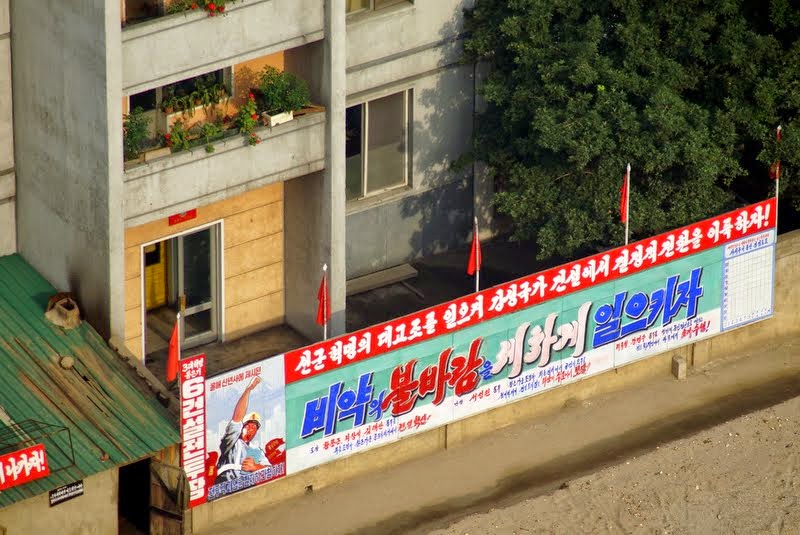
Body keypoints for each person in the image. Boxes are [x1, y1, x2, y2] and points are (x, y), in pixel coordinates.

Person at [214, 376, 268, 484]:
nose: (251, 429)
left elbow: (269, 470)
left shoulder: (256, 450)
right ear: (242, 427)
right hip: (225, 482)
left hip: (246, 484)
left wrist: (255, 467)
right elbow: (237, 417)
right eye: (249, 426)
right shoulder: (232, 439)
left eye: (255, 427)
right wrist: (248, 390)